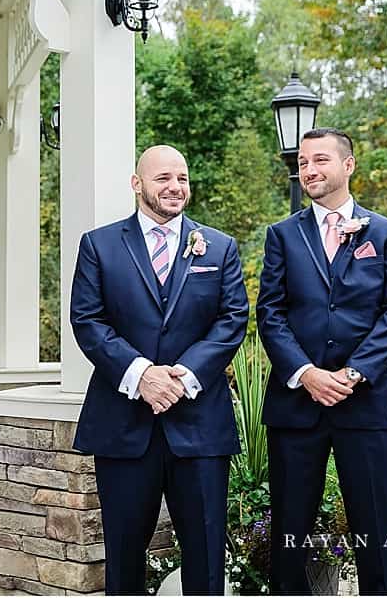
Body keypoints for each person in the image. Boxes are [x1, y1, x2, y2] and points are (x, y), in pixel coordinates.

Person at [70, 145, 248, 594]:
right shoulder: (100, 245)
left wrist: (183, 377)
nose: (175, 187)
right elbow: (88, 321)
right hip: (124, 425)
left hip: (200, 428)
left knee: (206, 558)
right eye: (163, 178)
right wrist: (142, 375)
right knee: (124, 558)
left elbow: (231, 320)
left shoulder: (220, 247)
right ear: (137, 184)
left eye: (182, 178)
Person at [257, 128, 387, 594]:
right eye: (304, 162)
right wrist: (306, 374)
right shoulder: (282, 236)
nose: (309, 169)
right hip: (296, 406)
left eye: (320, 159)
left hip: (364, 404)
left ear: (348, 165)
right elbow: (271, 312)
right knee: (289, 529)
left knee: (375, 529)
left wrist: (352, 373)